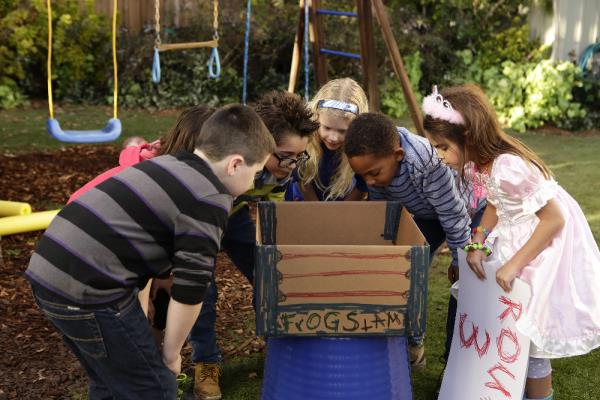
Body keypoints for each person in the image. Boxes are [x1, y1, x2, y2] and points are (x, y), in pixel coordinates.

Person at [25, 104, 276, 400]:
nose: (251, 184)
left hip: (49, 273)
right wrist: (170, 354)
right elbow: (191, 288)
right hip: (88, 291)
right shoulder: (210, 198)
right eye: (256, 172)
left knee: (111, 379)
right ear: (235, 164)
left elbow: (143, 258)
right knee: (155, 386)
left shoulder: (169, 164)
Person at [426, 84, 600, 400]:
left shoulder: (510, 165)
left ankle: (539, 394)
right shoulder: (477, 164)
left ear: (467, 139)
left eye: (441, 147)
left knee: (529, 333)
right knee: (511, 329)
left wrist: (513, 264)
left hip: (541, 243)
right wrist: (478, 239)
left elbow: (554, 220)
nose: (438, 157)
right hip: (515, 231)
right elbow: (495, 202)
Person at [189, 91, 319, 400]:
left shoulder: (284, 168)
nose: (291, 165)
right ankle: (206, 365)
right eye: (285, 156)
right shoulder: (224, 157)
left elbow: (270, 207)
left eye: (299, 157)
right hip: (197, 220)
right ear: (260, 145)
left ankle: (277, 347)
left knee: (269, 273)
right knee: (203, 293)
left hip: (233, 218)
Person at [343, 112, 472, 368]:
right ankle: (412, 345)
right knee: (401, 272)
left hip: (463, 213)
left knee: (464, 285)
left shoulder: (426, 163)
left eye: (374, 173)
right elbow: (384, 210)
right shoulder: (379, 163)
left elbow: (453, 215)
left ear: (398, 156)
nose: (369, 182)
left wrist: (460, 261)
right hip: (426, 214)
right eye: (363, 175)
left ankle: (453, 366)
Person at [288, 78, 369, 201]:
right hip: (307, 202)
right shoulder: (306, 138)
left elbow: (362, 187)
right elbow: (302, 178)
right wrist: (318, 210)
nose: (333, 138)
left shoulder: (363, 146)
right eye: (327, 128)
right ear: (316, 118)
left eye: (342, 131)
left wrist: (339, 216)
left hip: (346, 206)